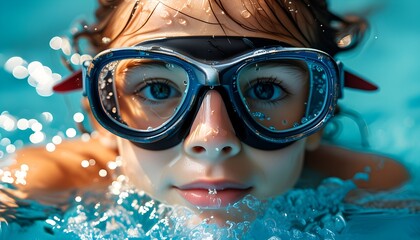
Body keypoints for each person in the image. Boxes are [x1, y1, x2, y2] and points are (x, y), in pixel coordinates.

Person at [3, 0, 409, 223]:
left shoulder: (377, 187)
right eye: (158, 88)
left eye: (266, 89)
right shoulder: (46, 180)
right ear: (102, 116)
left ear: (318, 112)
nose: (213, 139)